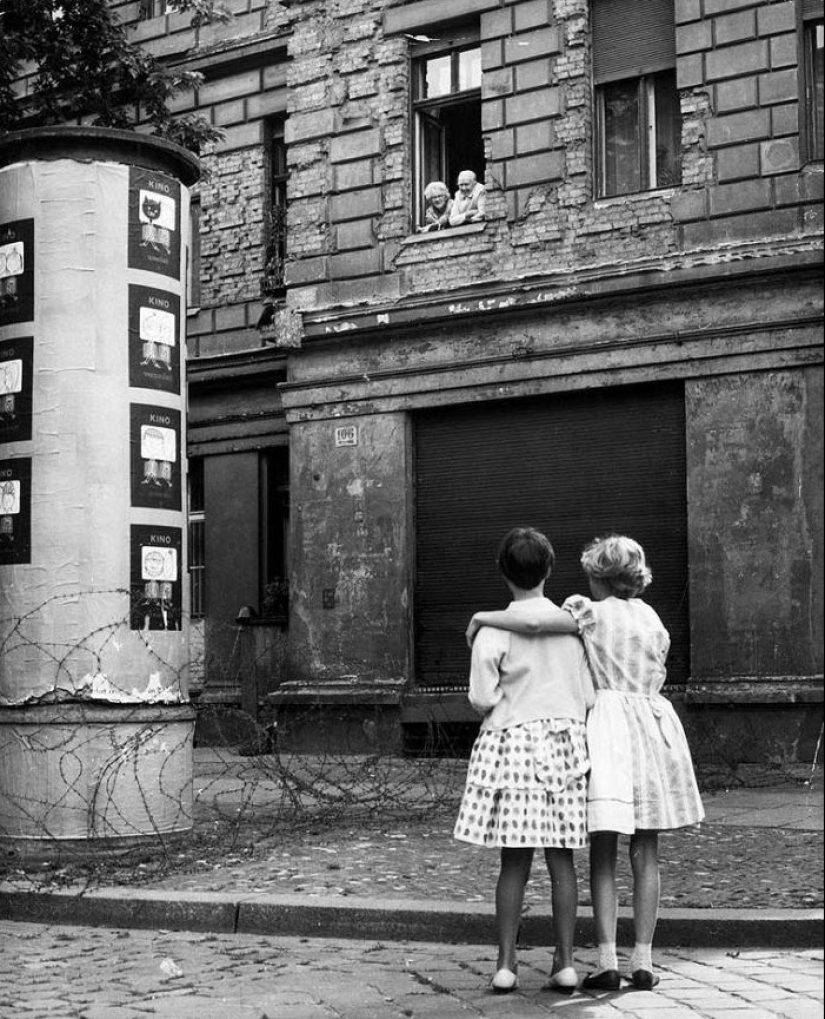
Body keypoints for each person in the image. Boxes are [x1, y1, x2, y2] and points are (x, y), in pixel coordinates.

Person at [466, 535, 705, 992]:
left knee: (601, 846)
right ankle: (641, 958)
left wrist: (482, 617)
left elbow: (533, 623)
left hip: (611, 729)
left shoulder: (587, 614)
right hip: (652, 726)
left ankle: (604, 959)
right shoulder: (652, 619)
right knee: (646, 848)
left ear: (598, 577)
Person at [454, 527, 596, 995]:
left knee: (512, 861)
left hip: (511, 747)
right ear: (550, 569)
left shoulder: (492, 631)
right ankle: (565, 961)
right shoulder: (572, 629)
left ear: (502, 572)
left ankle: (506, 962)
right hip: (563, 749)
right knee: (562, 859)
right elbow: (588, 695)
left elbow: (481, 697)